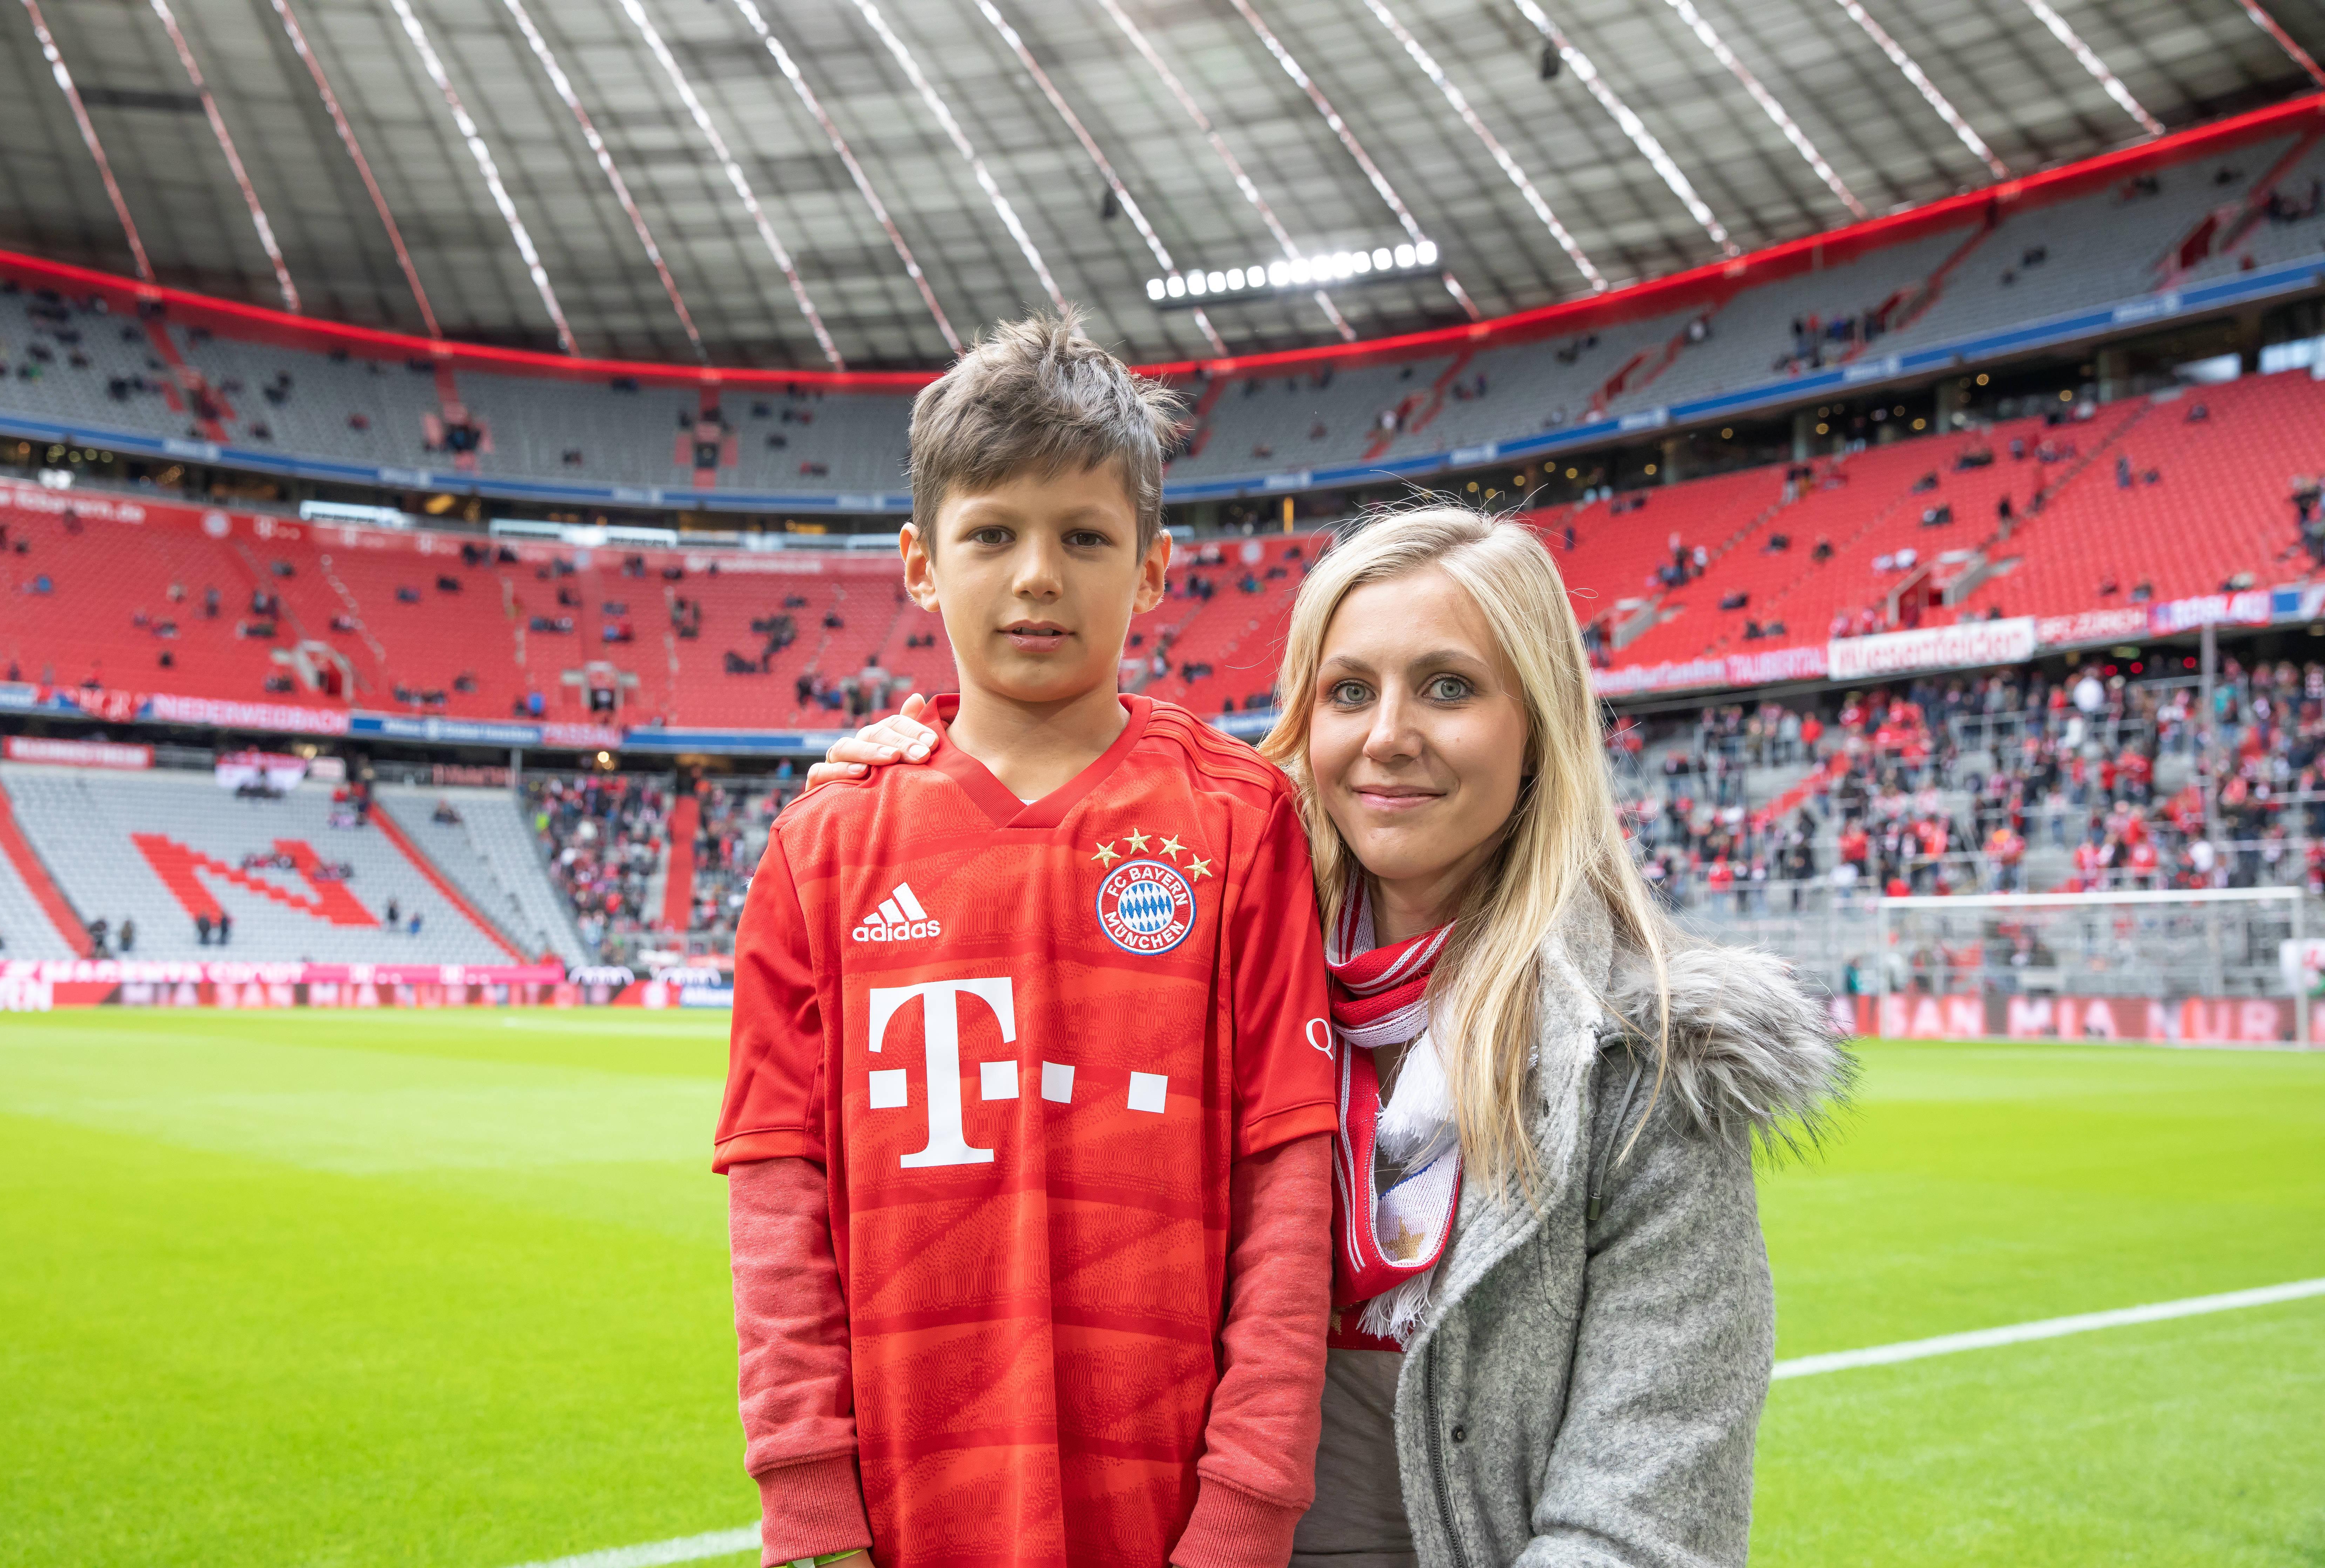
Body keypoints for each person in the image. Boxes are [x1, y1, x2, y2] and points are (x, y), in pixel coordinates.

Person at [820, 507, 1850, 1566]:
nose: (1387, 735)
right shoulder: (1201, 973)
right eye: (1348, 691)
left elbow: (1641, 1526)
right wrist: (920, 775)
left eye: (1450, 687)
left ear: (1539, 726)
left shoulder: (1645, 1070)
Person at [717, 310, 1337, 1568]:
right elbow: (780, 1203)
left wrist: (1247, 1509)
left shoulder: (1241, 820)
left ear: (1155, 569)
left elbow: (1288, 1185)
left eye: (1085, 537)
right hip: (904, 1505)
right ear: (920, 563)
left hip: (1167, 1513)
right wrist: (810, 1503)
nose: (1038, 575)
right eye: (992, 534)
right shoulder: (820, 847)